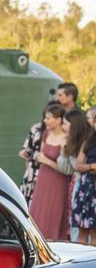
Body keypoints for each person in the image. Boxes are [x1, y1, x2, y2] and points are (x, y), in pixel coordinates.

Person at [30, 103, 69, 240]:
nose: (45, 120)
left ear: (58, 120)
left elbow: (67, 169)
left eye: (48, 118)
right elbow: (39, 155)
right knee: (38, 210)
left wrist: (46, 161)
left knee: (53, 212)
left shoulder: (66, 138)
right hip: (42, 179)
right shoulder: (46, 133)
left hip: (58, 182)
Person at [56, 110, 91, 239]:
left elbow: (79, 167)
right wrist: (63, 151)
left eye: (65, 123)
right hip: (75, 185)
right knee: (76, 223)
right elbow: (66, 169)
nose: (63, 127)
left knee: (85, 225)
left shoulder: (88, 143)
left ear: (74, 125)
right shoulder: (71, 142)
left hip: (87, 187)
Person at [18, 103, 53, 204]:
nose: (46, 120)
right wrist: (24, 153)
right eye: (45, 116)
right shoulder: (36, 128)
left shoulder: (60, 133)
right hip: (31, 172)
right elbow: (25, 148)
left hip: (48, 174)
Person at [71, 123, 96, 245]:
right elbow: (78, 165)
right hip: (87, 189)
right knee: (83, 231)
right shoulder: (88, 142)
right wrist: (91, 166)